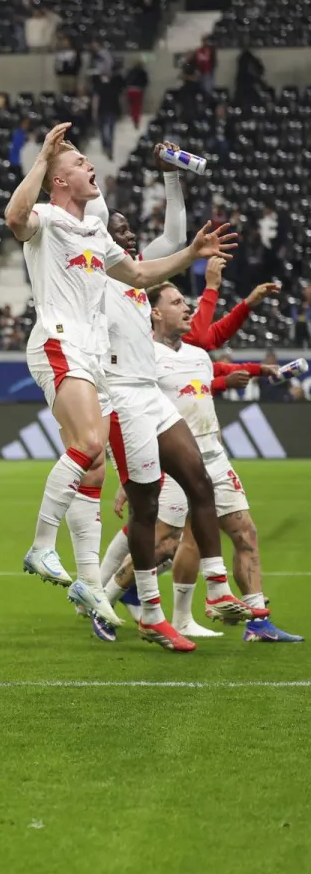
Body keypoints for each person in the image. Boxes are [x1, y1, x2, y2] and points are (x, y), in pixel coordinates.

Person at [6, 123, 220, 597]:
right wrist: (42, 158)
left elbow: (141, 273)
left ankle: (79, 575)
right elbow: (15, 217)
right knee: (86, 443)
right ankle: (42, 543)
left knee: (93, 454)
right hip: (59, 341)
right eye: (80, 163)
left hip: (92, 353)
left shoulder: (95, 234)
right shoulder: (46, 217)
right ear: (60, 181)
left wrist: (191, 253)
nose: (90, 166)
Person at [81, 147, 237, 651]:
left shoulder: (133, 271)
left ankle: (216, 587)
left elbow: (173, 239)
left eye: (130, 231)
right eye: (121, 231)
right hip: (122, 395)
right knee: (145, 508)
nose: (129, 237)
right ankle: (148, 608)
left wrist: (170, 179)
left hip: (150, 393)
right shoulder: (93, 275)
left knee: (199, 479)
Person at [143, 274, 300, 642]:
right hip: (176, 459)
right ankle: (112, 590)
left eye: (187, 302)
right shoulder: (145, 357)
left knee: (244, 531)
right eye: (177, 302)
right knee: (165, 543)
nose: (188, 307)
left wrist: (259, 371)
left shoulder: (197, 356)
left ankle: (258, 621)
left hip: (214, 454)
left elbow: (215, 372)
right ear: (154, 313)